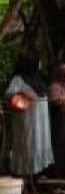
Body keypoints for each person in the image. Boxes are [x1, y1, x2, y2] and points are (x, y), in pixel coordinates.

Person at [3, 56, 54, 186]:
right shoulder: (23, 80)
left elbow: (8, 93)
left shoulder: (30, 79)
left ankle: (32, 174)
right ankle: (29, 174)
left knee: (32, 142)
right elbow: (10, 93)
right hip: (30, 118)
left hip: (33, 118)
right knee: (30, 142)